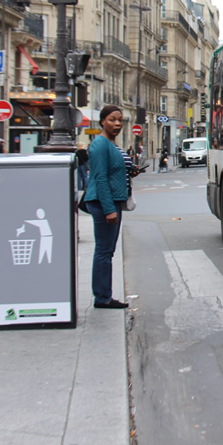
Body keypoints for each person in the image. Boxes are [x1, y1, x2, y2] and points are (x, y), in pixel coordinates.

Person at [82, 105, 132, 309]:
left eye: (119, 120)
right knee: (104, 251)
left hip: (111, 201)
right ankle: (102, 297)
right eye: (112, 119)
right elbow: (100, 178)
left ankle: (103, 295)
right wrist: (109, 208)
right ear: (102, 121)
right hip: (105, 204)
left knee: (107, 251)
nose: (117, 123)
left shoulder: (109, 143)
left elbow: (111, 172)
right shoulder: (101, 144)